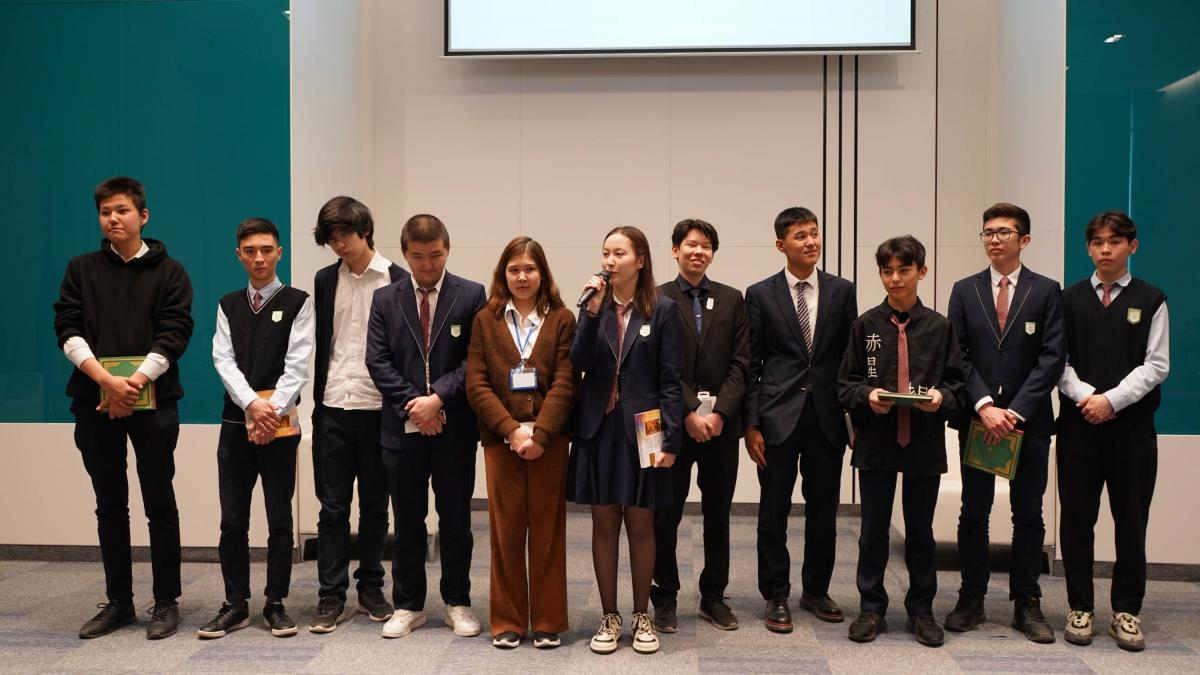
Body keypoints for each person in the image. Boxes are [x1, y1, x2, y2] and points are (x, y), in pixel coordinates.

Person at [54, 176, 194, 640]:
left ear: (143, 216)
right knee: (109, 505)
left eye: (122, 210)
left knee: (160, 502)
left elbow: (175, 333)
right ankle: (119, 602)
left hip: (154, 402)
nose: (113, 219)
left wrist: (131, 385)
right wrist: (106, 382)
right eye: (105, 212)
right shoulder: (81, 269)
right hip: (94, 400)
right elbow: (67, 328)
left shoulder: (170, 272)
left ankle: (166, 601)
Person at [946, 202, 1065, 643]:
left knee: (1028, 514)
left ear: (1024, 240)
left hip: (1027, 423)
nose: (994, 239)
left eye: (1003, 232)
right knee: (973, 512)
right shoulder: (965, 290)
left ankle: (1026, 601)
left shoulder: (1046, 290)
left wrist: (1015, 411)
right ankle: (971, 597)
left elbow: (1053, 357)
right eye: (988, 232)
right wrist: (983, 405)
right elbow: (957, 354)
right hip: (979, 420)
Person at [838, 236, 966, 647]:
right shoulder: (865, 326)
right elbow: (845, 385)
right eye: (887, 271)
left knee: (920, 531)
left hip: (923, 439)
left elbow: (958, 386)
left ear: (921, 272)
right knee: (873, 529)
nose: (895, 279)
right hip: (876, 440)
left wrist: (941, 398)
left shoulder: (940, 327)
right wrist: (867, 397)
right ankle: (871, 606)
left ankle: (921, 609)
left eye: (904, 270)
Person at [366, 214, 487, 639]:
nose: (428, 264)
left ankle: (458, 602)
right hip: (402, 428)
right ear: (405, 254)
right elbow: (377, 360)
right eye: (418, 257)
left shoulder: (471, 294)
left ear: (447, 249)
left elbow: (476, 357)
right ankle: (408, 604)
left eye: (435, 255)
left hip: (454, 427)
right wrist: (415, 406)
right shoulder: (385, 299)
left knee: (456, 520)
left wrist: (438, 400)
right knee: (408, 521)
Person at [1056, 211, 1169, 652]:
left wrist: (1112, 401)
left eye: (1115, 242)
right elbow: (1056, 361)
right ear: (1088, 248)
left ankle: (1126, 610)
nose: (1106, 249)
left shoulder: (1152, 298)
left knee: (1131, 522)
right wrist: (1088, 397)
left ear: (1132, 246)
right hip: (1079, 428)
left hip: (1132, 432)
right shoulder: (1068, 300)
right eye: (1098, 242)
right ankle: (1080, 607)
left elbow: (1156, 366)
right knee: (1076, 520)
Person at [743, 206, 857, 632]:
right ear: (781, 245)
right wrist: (751, 424)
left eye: (814, 233)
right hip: (776, 417)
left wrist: (853, 416)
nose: (811, 242)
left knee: (824, 510)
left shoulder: (842, 291)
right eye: (800, 236)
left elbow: (850, 360)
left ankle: (816, 589)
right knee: (773, 510)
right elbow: (751, 364)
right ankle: (775, 593)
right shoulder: (760, 294)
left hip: (826, 417)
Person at [200, 218, 314, 639]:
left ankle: (276, 603)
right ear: (239, 255)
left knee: (280, 519)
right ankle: (235, 603)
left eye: (267, 250)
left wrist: (271, 411)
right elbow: (222, 359)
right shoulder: (228, 304)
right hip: (236, 425)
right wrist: (252, 405)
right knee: (233, 520)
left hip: (280, 428)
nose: (259, 258)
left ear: (279, 252)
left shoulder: (298, 302)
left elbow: (297, 364)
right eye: (250, 251)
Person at [570, 226, 681, 655]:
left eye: (619, 253)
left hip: (646, 427)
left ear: (640, 260)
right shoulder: (594, 306)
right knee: (604, 522)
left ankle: (641, 615)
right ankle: (609, 616)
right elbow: (579, 361)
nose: (610, 261)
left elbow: (670, 379)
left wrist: (670, 439)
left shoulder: (662, 309)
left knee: (640, 522)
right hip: (600, 426)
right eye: (606, 253)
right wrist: (589, 313)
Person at [466, 236, 576, 650]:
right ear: (503, 275)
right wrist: (511, 430)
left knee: (548, 531)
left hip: (550, 442)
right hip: (501, 441)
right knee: (505, 532)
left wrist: (541, 435)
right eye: (514, 270)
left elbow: (566, 384)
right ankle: (508, 620)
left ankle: (547, 621)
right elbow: (476, 385)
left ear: (542, 273)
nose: (522, 276)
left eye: (530, 269)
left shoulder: (563, 319)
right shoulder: (485, 320)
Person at [309, 196, 409, 632]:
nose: (338, 245)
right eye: (330, 238)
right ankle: (330, 594)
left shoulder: (397, 279)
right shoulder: (325, 279)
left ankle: (371, 586)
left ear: (365, 231)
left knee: (374, 507)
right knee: (332, 508)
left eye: (344, 235)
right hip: (333, 404)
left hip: (378, 408)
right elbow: (327, 342)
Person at [650, 219, 750, 633]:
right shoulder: (656, 297)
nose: (698, 252)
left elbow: (742, 364)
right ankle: (665, 596)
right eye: (691, 245)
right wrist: (690, 411)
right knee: (664, 515)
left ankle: (713, 596)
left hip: (721, 427)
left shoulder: (732, 299)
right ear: (675, 250)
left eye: (706, 246)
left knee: (718, 515)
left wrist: (720, 413)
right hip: (674, 426)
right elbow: (659, 365)